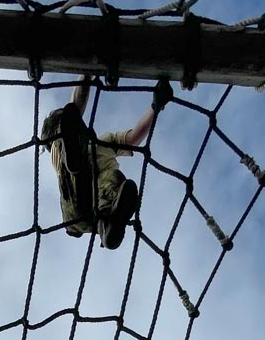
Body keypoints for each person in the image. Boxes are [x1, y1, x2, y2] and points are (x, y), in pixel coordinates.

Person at [40, 76, 174, 250]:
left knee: (111, 183)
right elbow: (75, 107)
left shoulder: (101, 142)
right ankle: (106, 219)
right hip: (79, 197)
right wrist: (86, 74)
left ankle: (109, 226)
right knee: (100, 174)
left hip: (87, 212)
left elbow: (133, 139)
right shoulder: (59, 149)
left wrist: (156, 106)